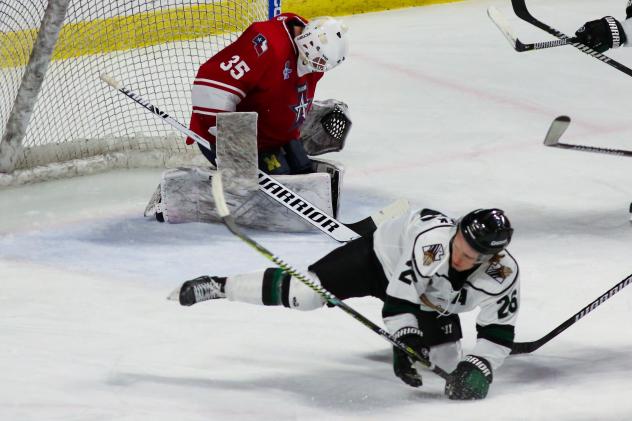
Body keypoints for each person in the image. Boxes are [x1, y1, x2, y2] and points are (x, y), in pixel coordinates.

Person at [170, 207, 520, 400]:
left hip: (428, 298)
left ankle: (422, 345)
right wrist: (406, 340)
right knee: (304, 294)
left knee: (445, 362)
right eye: (459, 245)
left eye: (470, 256)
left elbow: (499, 330)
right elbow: (400, 301)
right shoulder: (433, 246)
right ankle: (219, 286)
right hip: (376, 260)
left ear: (492, 256)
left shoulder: (502, 275)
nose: (459, 257)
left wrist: (482, 364)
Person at [187, 12, 350, 175]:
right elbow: (212, 85)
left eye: (324, 63)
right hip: (236, 139)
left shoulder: (313, 59)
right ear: (309, 43)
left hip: (271, 139)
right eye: (319, 59)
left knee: (302, 169)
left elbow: (284, 91)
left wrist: (306, 117)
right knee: (276, 178)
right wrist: (228, 139)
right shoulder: (267, 43)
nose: (319, 65)